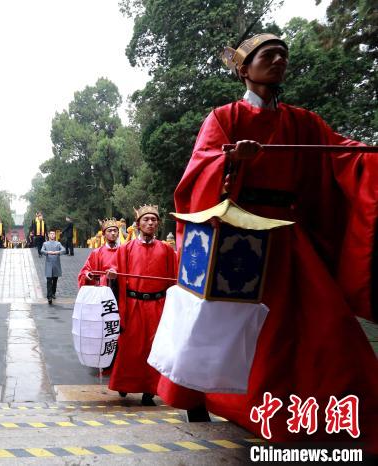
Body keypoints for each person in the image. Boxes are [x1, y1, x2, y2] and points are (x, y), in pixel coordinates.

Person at [161, 33, 378, 444]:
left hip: (293, 242)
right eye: (268, 54)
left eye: (283, 54)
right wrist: (229, 159)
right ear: (244, 68)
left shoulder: (304, 122)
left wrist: (371, 159)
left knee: (329, 326)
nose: (278, 60)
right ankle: (242, 408)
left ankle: (339, 415)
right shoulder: (224, 117)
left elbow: (345, 153)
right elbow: (198, 173)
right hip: (240, 244)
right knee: (246, 332)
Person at [105, 205, 177, 406]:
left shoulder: (166, 250)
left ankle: (149, 391)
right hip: (134, 304)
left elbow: (173, 280)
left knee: (154, 348)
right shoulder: (126, 249)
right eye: (146, 220)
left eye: (154, 220)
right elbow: (116, 270)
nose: (150, 223)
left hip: (158, 305)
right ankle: (124, 383)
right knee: (130, 347)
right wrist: (112, 274)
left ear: (158, 224)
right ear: (138, 224)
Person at [78, 219, 120, 298]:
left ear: (118, 233)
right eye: (110, 231)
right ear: (104, 234)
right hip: (102, 292)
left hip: (120, 291)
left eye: (115, 231)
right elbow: (85, 271)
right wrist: (88, 275)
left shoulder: (123, 251)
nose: (113, 233)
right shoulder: (97, 252)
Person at [41, 230, 66, 304]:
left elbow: (64, 250)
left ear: (55, 235)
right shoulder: (45, 243)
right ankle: (49, 297)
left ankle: (53, 293)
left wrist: (57, 252)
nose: (52, 235)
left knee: (55, 280)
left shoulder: (58, 243)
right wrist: (48, 252)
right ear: (48, 235)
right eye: (51, 234)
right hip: (48, 264)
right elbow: (42, 250)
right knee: (49, 280)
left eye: (53, 234)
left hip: (56, 264)